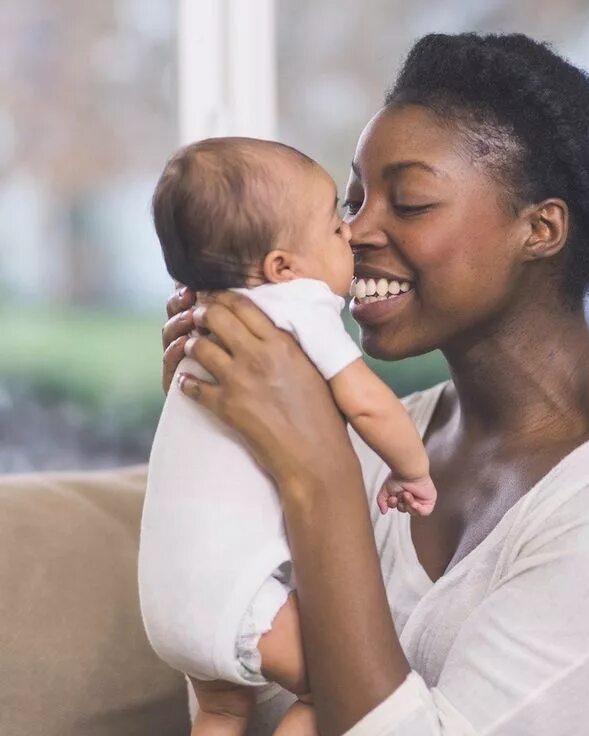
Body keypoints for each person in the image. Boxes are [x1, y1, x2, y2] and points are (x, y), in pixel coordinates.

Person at [161, 33, 589, 736]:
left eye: (408, 202)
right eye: (352, 199)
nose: (356, 229)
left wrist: (318, 476)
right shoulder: (377, 439)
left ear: (541, 229)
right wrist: (219, 451)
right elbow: (244, 681)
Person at [139, 137, 437, 736]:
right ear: (282, 267)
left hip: (164, 603)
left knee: (223, 711)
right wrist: (412, 470)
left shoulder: (211, 322)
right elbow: (370, 405)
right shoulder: (296, 309)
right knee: (338, 687)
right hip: (243, 600)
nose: (351, 235)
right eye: (335, 224)